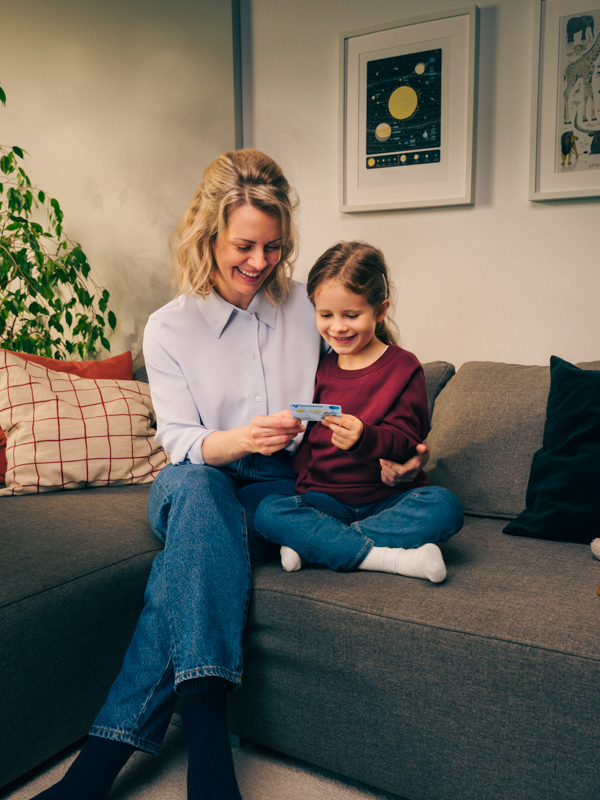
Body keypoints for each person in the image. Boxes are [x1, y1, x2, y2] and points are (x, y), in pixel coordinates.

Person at [33, 152, 429, 800]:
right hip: (196, 474)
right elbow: (179, 441)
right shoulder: (169, 328)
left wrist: (400, 451)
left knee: (186, 568)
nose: (260, 261)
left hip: (279, 485)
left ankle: (94, 772)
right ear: (209, 235)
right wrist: (241, 438)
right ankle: (210, 748)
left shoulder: (305, 307)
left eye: (273, 246)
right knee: (197, 493)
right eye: (244, 245)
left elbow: (368, 371)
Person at [255, 241, 463, 581]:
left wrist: (365, 439)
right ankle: (386, 557)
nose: (337, 327)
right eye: (326, 315)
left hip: (387, 500)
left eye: (351, 315)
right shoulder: (321, 366)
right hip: (325, 502)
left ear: (380, 311)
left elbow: (406, 441)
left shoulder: (403, 367)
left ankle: (317, 545)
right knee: (268, 511)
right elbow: (311, 439)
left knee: (444, 506)